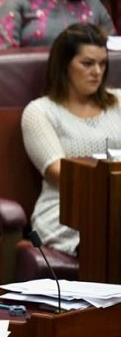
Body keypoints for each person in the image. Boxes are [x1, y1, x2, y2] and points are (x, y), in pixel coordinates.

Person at [22, 23, 121, 256]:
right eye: (87, 64)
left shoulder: (118, 101)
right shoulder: (40, 112)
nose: (97, 71)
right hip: (65, 210)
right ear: (64, 65)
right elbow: (59, 172)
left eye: (103, 63)